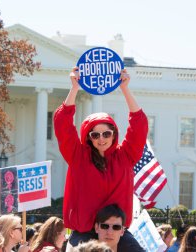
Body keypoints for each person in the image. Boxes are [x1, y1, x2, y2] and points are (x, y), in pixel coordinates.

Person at [54, 67, 148, 252]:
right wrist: (74, 88)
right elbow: (62, 124)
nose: (101, 139)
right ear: (88, 137)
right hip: (84, 233)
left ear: (114, 134)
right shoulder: (78, 156)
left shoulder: (125, 155)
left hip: (117, 232)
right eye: (95, 135)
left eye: (106, 133)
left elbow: (140, 125)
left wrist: (125, 89)